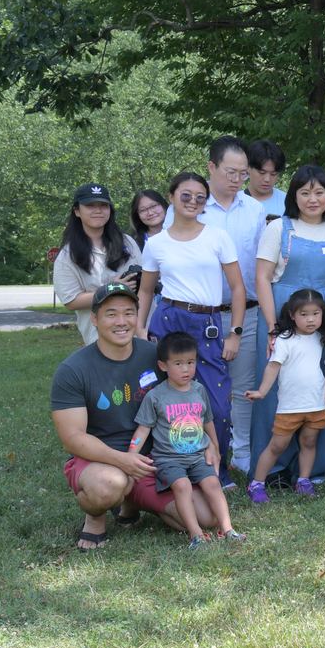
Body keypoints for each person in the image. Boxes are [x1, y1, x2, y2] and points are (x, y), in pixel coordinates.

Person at [51, 283, 222, 550]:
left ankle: (134, 500)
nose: (122, 321)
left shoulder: (156, 355)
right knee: (109, 484)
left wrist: (209, 442)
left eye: (129, 312)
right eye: (111, 314)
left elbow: (188, 398)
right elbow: (72, 438)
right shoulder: (73, 369)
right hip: (100, 459)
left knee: (208, 517)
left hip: (156, 461)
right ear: (94, 319)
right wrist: (123, 461)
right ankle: (95, 517)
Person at [159, 136, 269, 477]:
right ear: (211, 167)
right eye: (229, 172)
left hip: (244, 312)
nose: (236, 180)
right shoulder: (188, 206)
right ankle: (191, 456)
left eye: (242, 174)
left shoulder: (254, 210)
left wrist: (237, 329)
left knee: (240, 387)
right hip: (193, 313)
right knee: (191, 386)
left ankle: (242, 454)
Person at [137, 172, 247, 478]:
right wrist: (140, 328)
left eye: (200, 197)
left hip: (208, 323)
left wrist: (235, 332)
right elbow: (146, 290)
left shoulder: (217, 237)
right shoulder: (156, 243)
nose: (193, 202)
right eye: (186, 195)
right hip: (169, 319)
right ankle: (172, 468)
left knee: (218, 404)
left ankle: (216, 471)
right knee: (168, 400)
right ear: (172, 196)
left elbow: (238, 288)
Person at [251, 164, 325, 482]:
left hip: (323, 322)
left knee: (318, 386)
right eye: (305, 192)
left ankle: (314, 467)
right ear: (294, 195)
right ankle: (275, 468)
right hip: (281, 315)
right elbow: (262, 279)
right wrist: (271, 326)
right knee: (277, 388)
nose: (312, 198)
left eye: (319, 192)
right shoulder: (279, 229)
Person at [130, 331, 244, 548]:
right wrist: (131, 455)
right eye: (178, 363)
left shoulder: (199, 390)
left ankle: (228, 529)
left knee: (212, 482)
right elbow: (143, 430)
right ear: (163, 366)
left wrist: (216, 446)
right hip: (168, 459)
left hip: (197, 456)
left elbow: (207, 420)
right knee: (182, 486)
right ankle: (196, 535)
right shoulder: (155, 396)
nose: (186, 369)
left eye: (190, 362)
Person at [243, 288, 325, 501]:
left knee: (309, 442)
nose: (310, 319)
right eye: (304, 314)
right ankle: (257, 483)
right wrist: (262, 391)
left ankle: (303, 480)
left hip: (316, 404)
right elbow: (273, 367)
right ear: (292, 315)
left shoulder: (321, 338)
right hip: (290, 407)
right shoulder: (284, 339)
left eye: (315, 314)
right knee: (277, 446)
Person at [54, 182, 143, 344]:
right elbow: (71, 301)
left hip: (140, 333)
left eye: (103, 205)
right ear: (77, 211)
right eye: (90, 205)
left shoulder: (127, 242)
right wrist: (111, 289)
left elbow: (144, 285)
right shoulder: (67, 255)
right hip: (100, 340)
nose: (98, 210)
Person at [244, 139, 287, 220]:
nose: (267, 179)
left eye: (273, 174)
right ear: (248, 168)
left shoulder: (287, 202)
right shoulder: (235, 201)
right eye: (262, 173)